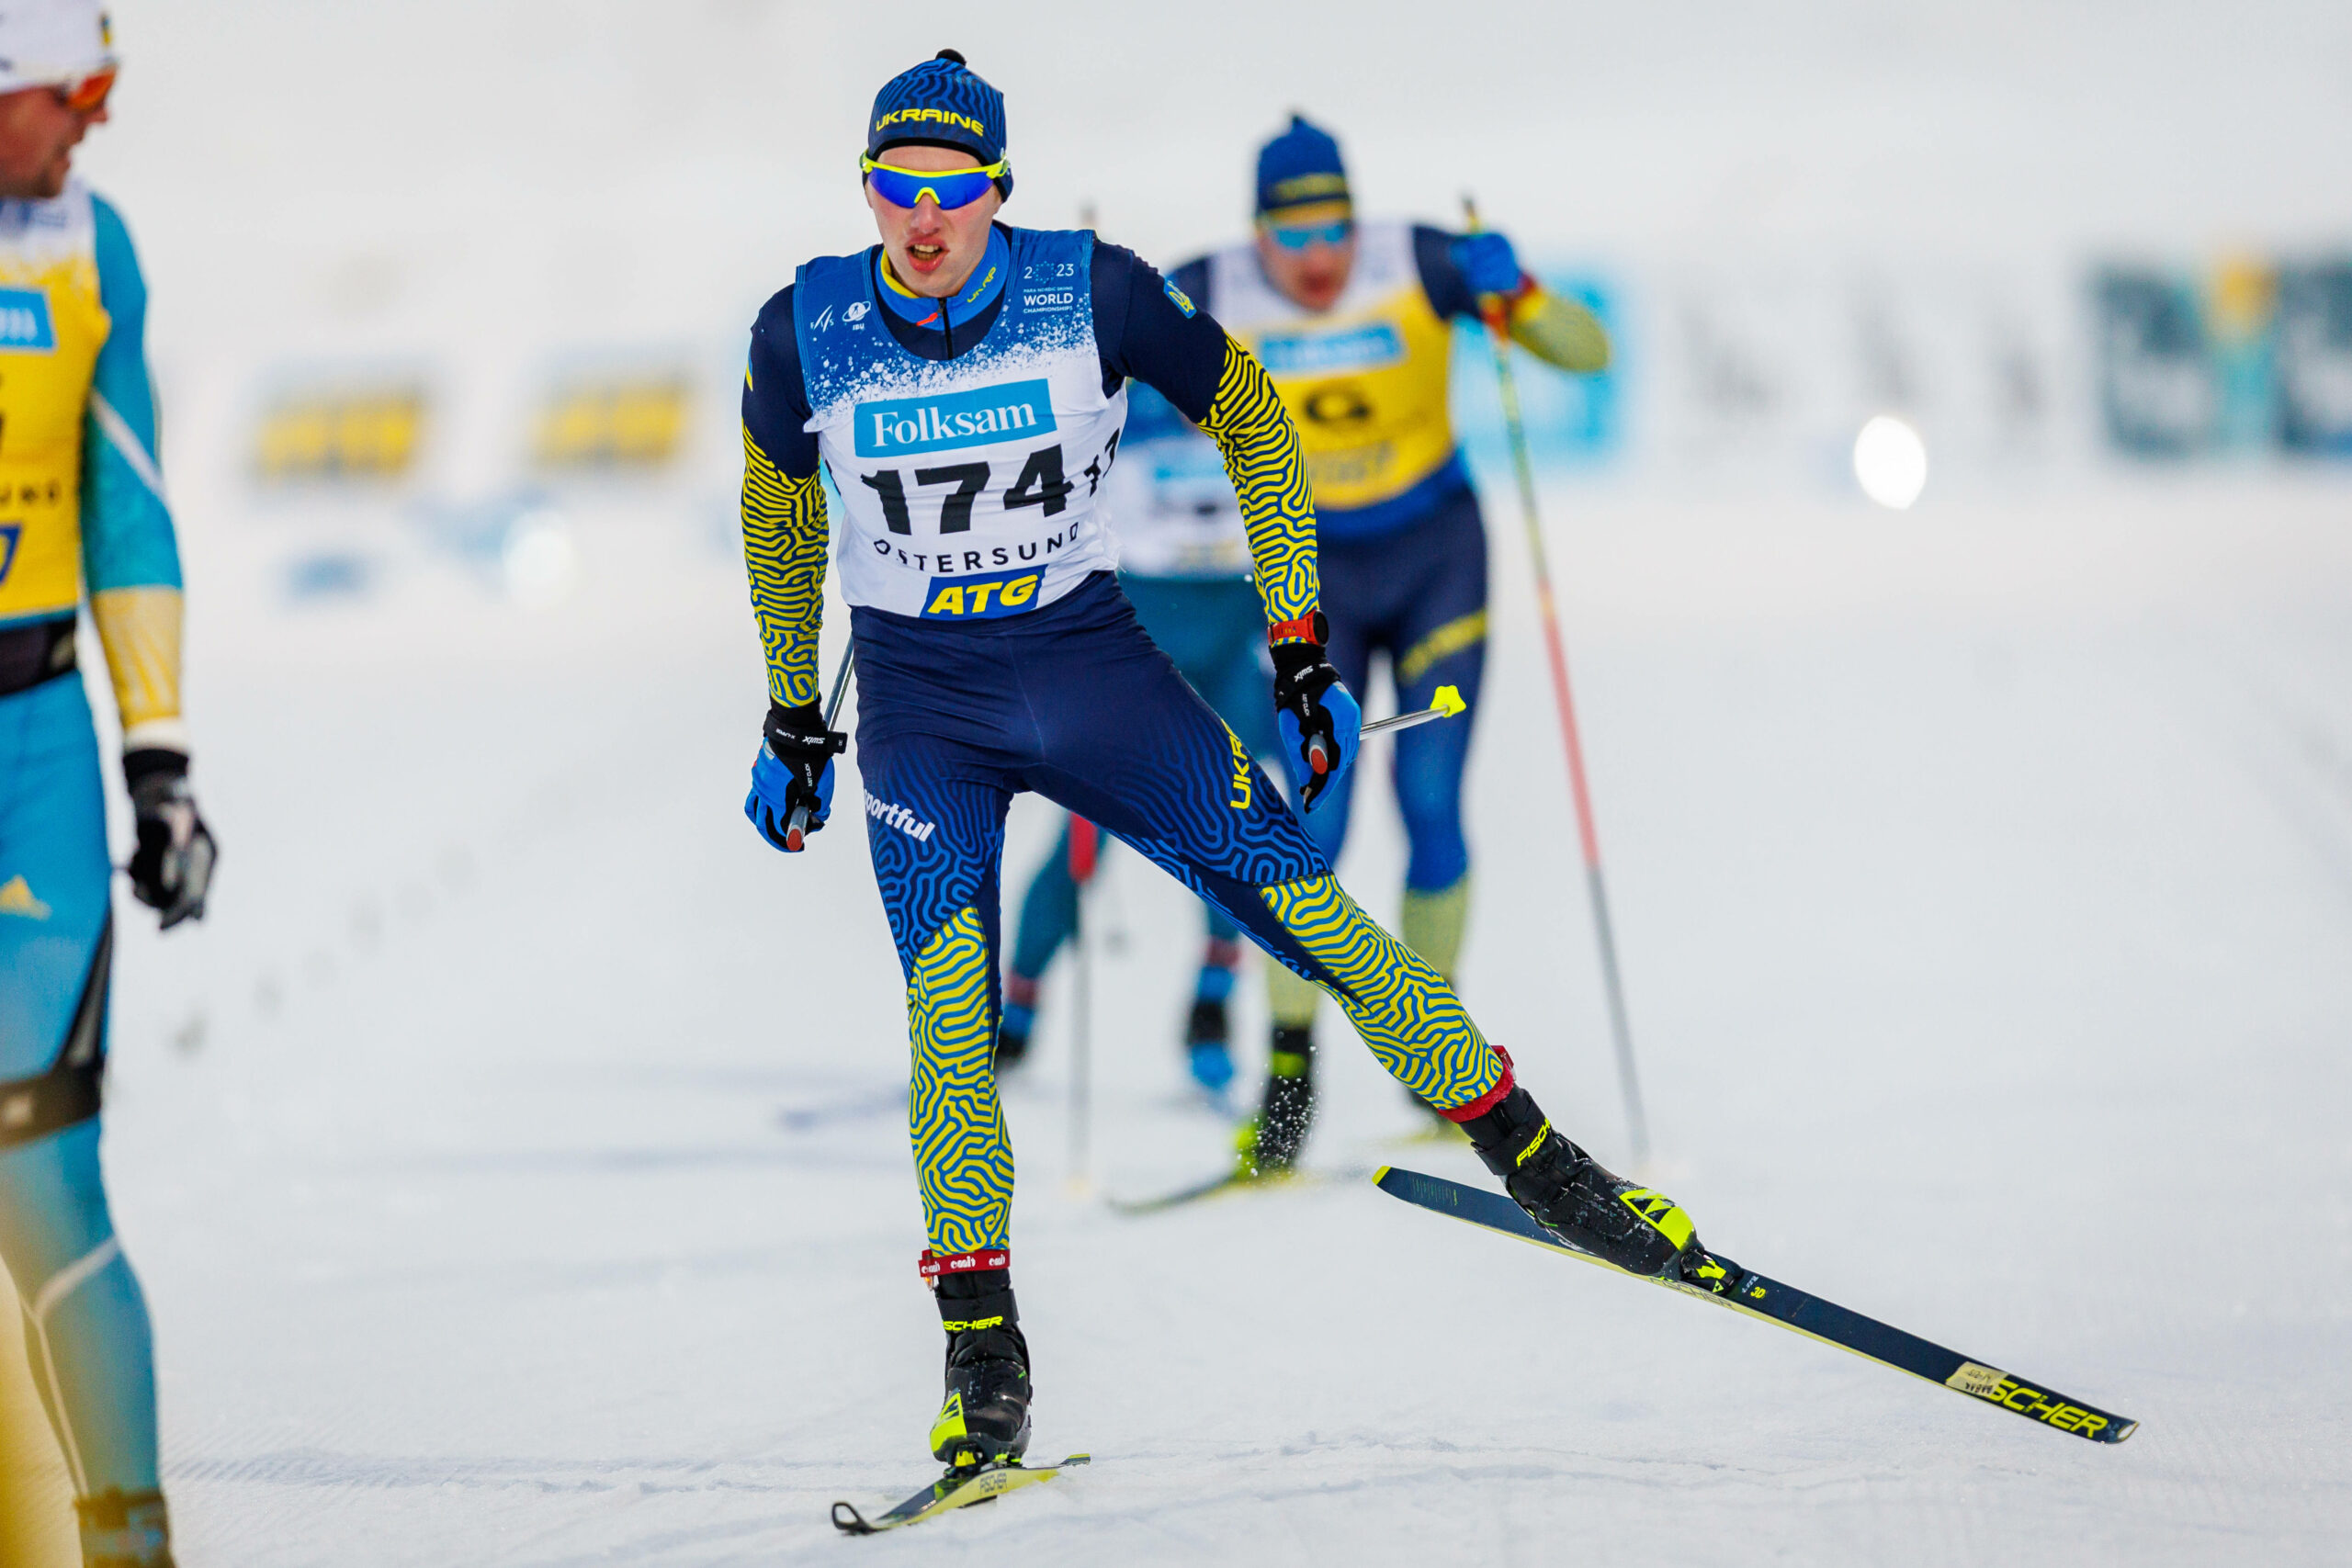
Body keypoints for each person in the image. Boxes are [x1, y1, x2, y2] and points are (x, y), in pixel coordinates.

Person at [738, 51, 1700, 1472]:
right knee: (949, 1022)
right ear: (867, 189)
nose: (923, 220)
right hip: (928, 711)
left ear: (999, 190)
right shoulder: (804, 323)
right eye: (896, 187)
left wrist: (1299, 642)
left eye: (951, 190)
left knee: (1311, 910)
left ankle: (1542, 1162)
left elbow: (1256, 424)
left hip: (1095, 672)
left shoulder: (1094, 288)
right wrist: (787, 709)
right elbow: (778, 510)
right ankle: (983, 1358)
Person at [1167, 116, 1612, 1169]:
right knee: (1306, 828)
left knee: (1430, 804)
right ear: (1258, 230)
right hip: (1306, 575)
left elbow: (1586, 355)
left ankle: (1440, 1065)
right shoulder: (1208, 285)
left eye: (1335, 231)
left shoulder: (1415, 259)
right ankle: (1288, 1083)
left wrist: (1524, 295)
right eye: (1294, 236)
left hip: (1433, 556)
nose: (1319, 260)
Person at [0, 6, 214, 1565]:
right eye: (80, 90)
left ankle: (127, 1546)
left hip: (36, 752)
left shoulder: (89, 245)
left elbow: (127, 508)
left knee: (44, 1171)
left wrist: (159, 763)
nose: (99, 122)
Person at [992, 377, 1275, 1098]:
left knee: (1233, 824)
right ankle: (1016, 1007)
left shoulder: (1255, 404)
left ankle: (1212, 1000)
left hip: (1231, 640)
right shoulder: (1118, 411)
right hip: (1142, 640)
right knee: (1086, 836)